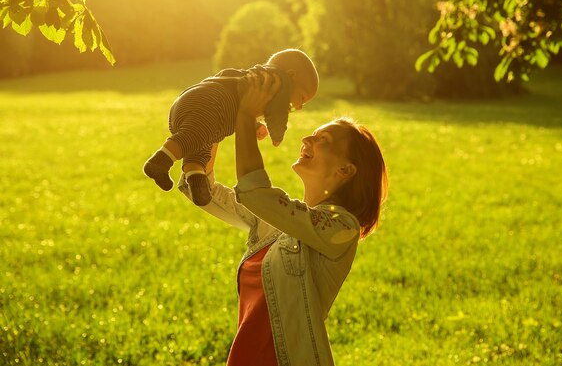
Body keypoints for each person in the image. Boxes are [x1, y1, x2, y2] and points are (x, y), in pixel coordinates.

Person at [177, 68, 388, 366]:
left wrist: (247, 113)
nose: (306, 138)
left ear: (345, 170)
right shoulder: (280, 226)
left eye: (322, 139)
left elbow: (256, 192)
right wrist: (216, 121)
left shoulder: (341, 229)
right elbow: (205, 191)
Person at [144, 48, 318, 206]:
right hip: (206, 106)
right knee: (193, 136)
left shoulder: (252, 77)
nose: (300, 107)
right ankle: (159, 162)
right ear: (291, 76)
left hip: (198, 103)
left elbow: (241, 101)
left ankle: (198, 185)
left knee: (200, 150)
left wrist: (255, 124)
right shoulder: (276, 83)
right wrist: (277, 135)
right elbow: (277, 116)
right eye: (302, 98)